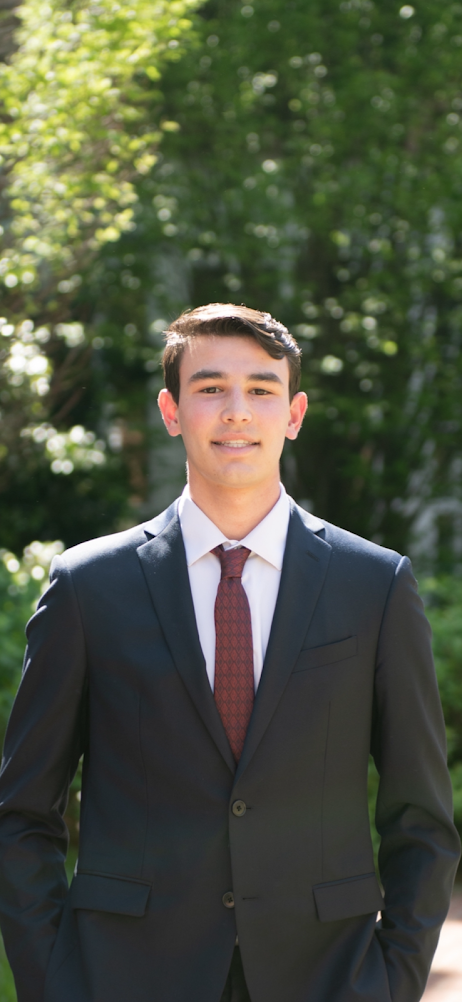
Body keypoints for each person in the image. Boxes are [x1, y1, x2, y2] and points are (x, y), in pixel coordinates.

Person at [0, 302, 459, 1002]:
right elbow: (23, 813)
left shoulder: (376, 586)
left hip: (328, 978)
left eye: (262, 390)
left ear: (295, 413)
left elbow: (421, 819)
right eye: (210, 388)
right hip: (126, 978)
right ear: (171, 410)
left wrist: (392, 983)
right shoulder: (89, 588)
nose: (237, 412)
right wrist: (54, 981)